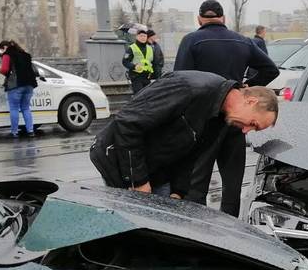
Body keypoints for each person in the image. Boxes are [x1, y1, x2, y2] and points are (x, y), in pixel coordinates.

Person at [89, 72, 278, 199]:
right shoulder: (189, 89)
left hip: (156, 169)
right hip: (118, 159)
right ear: (250, 101)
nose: (245, 131)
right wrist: (138, 181)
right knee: (132, 231)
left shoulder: (220, 116)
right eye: (253, 124)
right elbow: (128, 124)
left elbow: (190, 154)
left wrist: (178, 191)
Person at [173, 0, 280, 216]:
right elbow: (271, 70)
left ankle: (197, 231)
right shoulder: (243, 41)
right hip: (237, 120)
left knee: (196, 183)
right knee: (232, 185)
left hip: (202, 122)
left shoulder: (191, 41)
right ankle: (231, 235)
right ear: (223, 18)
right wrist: (247, 87)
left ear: (199, 19)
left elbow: (179, 80)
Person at [0, 40, 40, 138]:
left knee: (14, 108)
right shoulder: (26, 55)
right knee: (26, 108)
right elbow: (32, 70)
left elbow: (4, 69)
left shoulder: (7, 55)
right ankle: (30, 131)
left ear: (4, 47)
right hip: (29, 85)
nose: (1, 52)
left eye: (1, 50)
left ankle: (14, 132)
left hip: (16, 85)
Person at [123, 29, 156, 95]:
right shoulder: (132, 48)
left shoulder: (150, 48)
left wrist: (155, 74)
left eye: (144, 36)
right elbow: (125, 61)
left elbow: (153, 62)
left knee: (148, 96)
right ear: (137, 37)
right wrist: (134, 66)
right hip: (136, 76)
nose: (143, 38)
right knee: (139, 96)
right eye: (141, 36)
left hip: (147, 77)